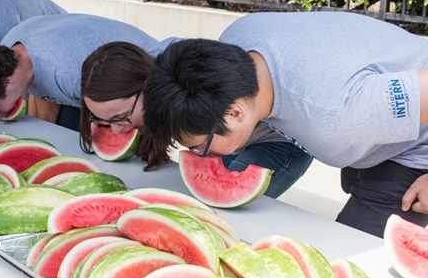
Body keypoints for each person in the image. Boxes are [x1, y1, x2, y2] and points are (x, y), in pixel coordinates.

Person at [142, 11, 428, 238]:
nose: (201, 156)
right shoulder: (237, 37)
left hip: (414, 146)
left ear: (235, 113)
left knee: (356, 251)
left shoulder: (340, 111)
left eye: (201, 147)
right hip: (368, 109)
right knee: (354, 177)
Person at [79, 41, 313, 197]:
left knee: (228, 203)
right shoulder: (163, 75)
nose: (116, 130)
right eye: (105, 122)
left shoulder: (187, 77)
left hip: (278, 141)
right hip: (222, 137)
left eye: (122, 117)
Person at [0, 14, 159, 130]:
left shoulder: (70, 73)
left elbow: (123, 116)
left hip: (147, 84)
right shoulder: (11, 47)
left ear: (7, 81)